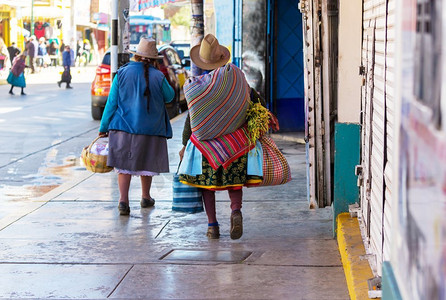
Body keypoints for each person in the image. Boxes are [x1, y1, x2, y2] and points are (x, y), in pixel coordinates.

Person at [178, 34, 256, 240]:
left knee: (207, 186)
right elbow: (255, 99)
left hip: (206, 148)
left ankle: (212, 225)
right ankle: (235, 211)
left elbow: (191, 119)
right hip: (234, 143)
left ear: (203, 62)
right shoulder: (237, 77)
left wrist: (185, 144)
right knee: (234, 182)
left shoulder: (197, 86)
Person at [98, 38, 175, 216]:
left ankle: (123, 201)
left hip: (123, 128)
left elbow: (111, 103)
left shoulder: (122, 73)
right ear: (153, 58)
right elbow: (170, 96)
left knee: (124, 165)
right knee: (146, 163)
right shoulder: (158, 76)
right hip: (151, 130)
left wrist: (103, 127)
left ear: (137, 56)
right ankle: (145, 196)